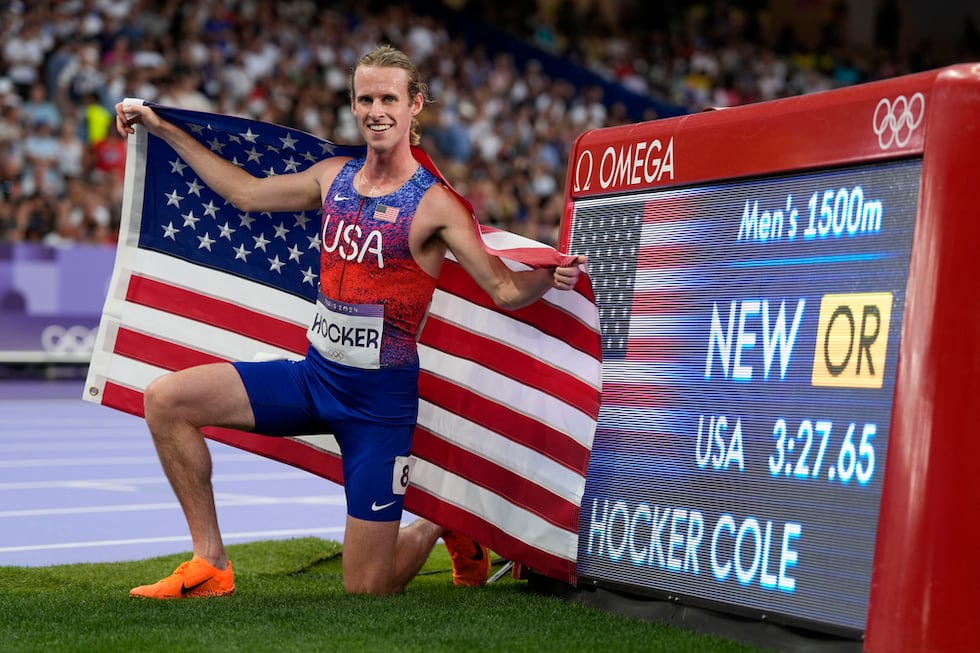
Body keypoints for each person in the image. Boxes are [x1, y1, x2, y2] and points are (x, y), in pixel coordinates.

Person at [114, 44, 586, 599]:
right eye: (366, 99)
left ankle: (441, 523)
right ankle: (210, 563)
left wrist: (547, 279)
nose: (376, 110)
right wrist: (162, 125)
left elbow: (504, 289)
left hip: (378, 407)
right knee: (165, 400)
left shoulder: (435, 206)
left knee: (369, 589)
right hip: (314, 381)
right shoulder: (331, 177)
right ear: (353, 105)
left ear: (416, 106)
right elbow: (244, 192)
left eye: (389, 98)